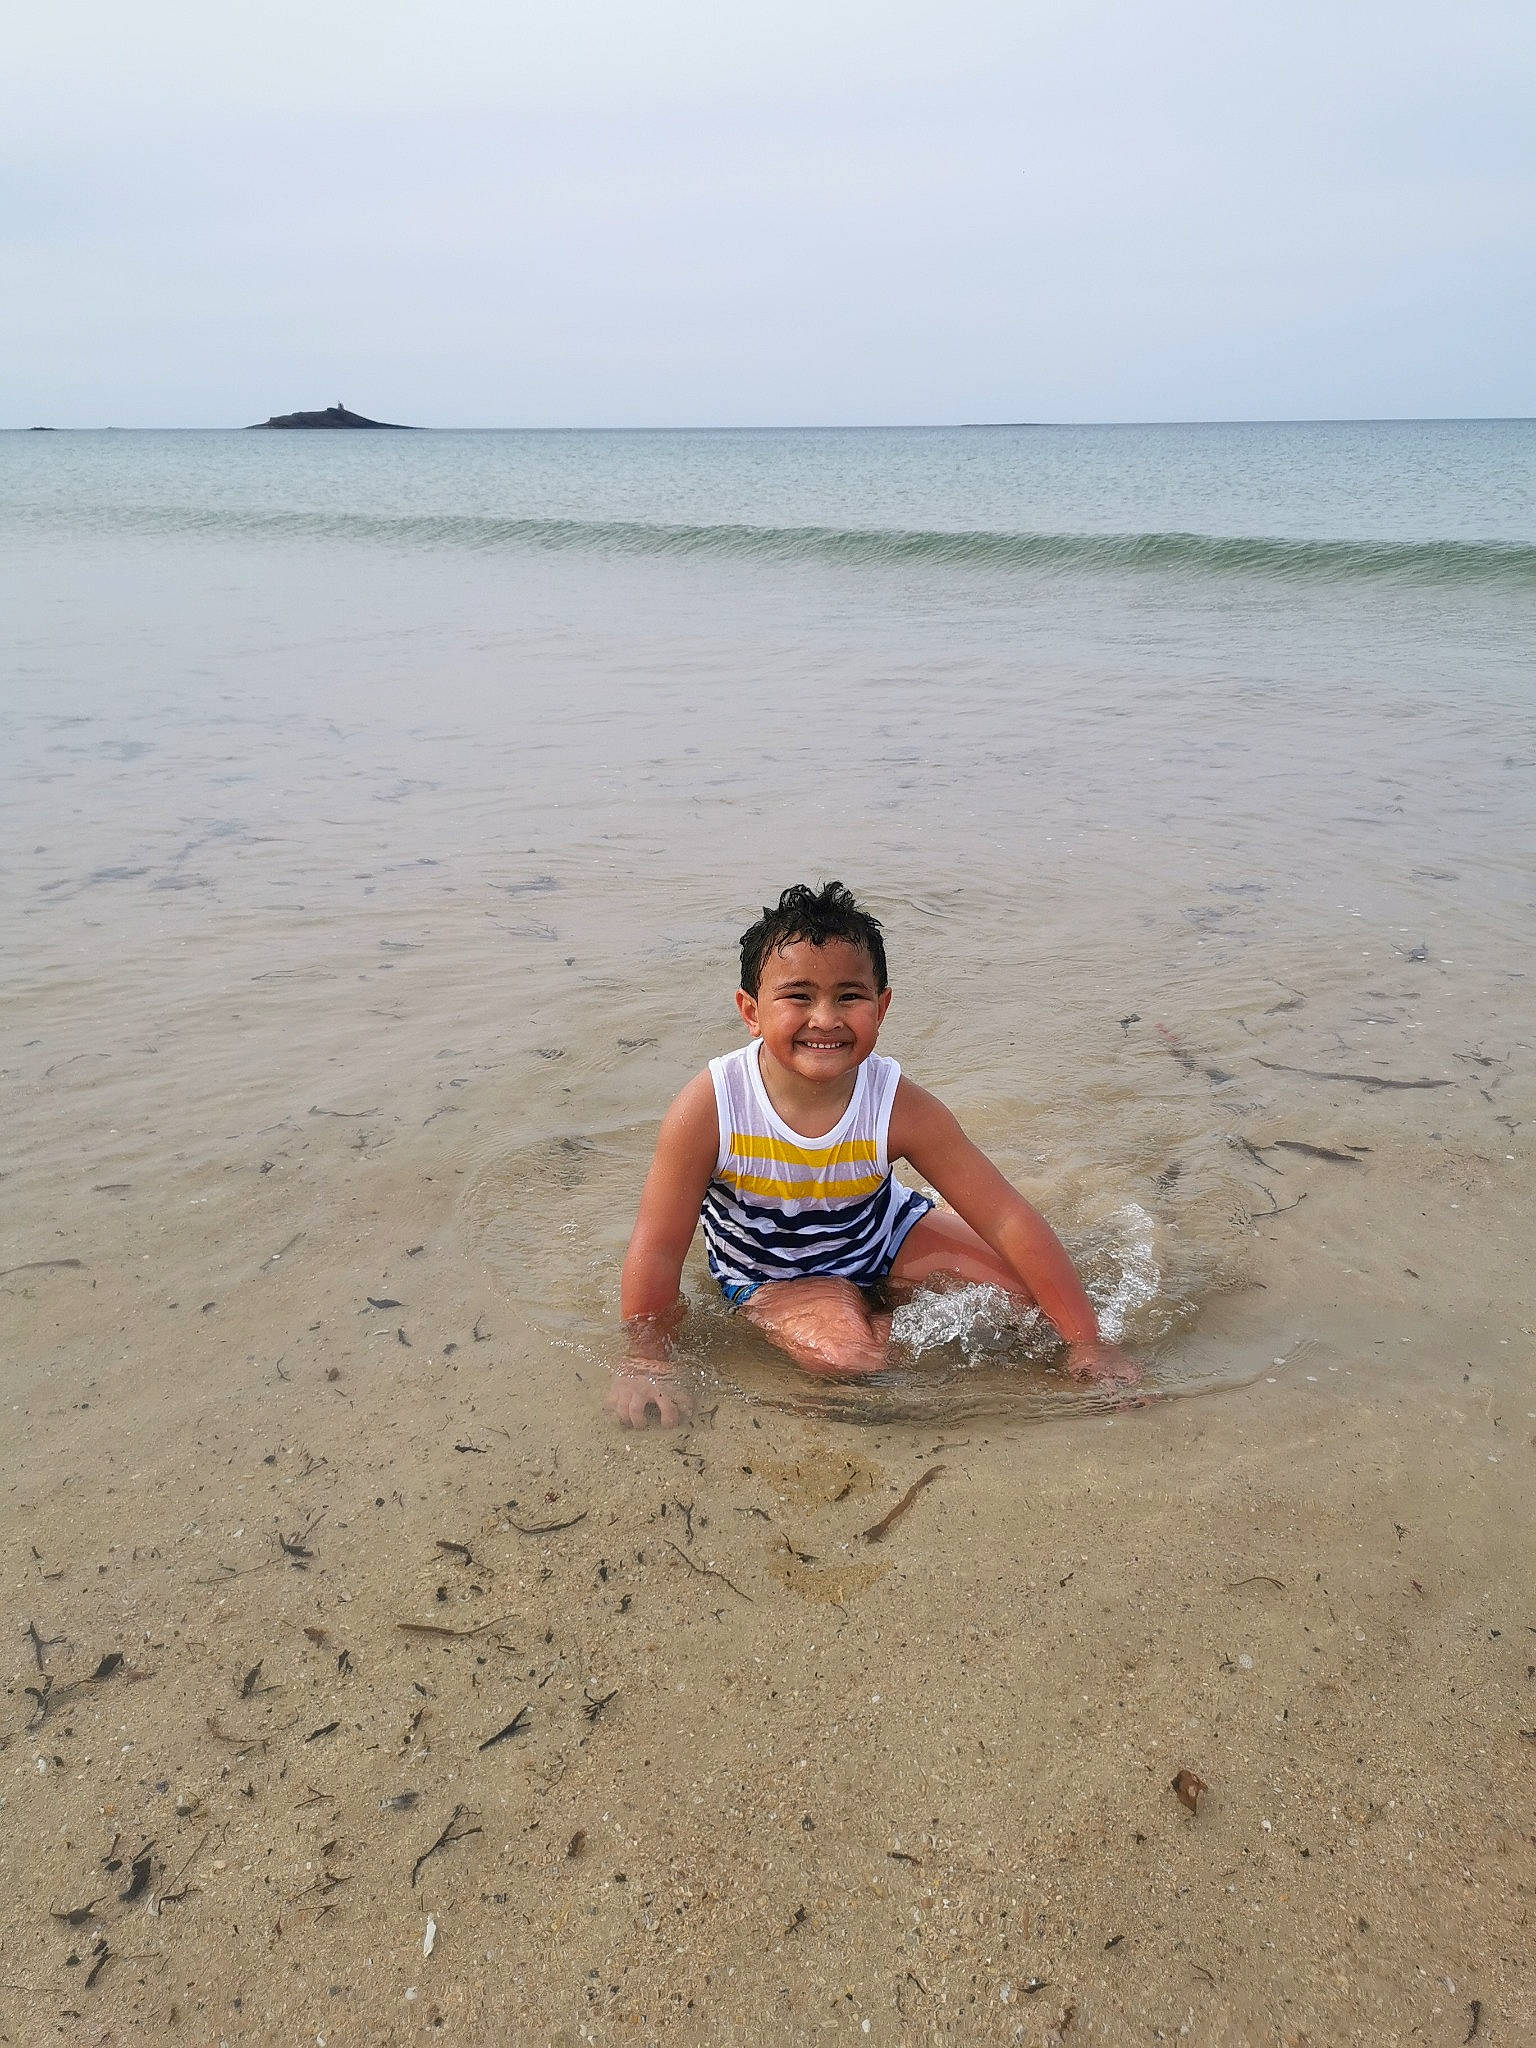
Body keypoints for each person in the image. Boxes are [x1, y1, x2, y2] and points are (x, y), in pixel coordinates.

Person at [609, 882, 1141, 1427]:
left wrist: (1087, 1343)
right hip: (776, 1273)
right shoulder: (712, 1106)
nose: (825, 1018)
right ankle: (869, 1321)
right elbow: (659, 1245)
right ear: (751, 1011)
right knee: (846, 1358)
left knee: (1038, 1309)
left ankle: (882, 1303)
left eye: (849, 996)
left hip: (886, 1234)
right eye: (798, 996)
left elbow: (1006, 1216)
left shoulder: (898, 1105)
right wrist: (647, 1360)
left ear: (882, 1006)